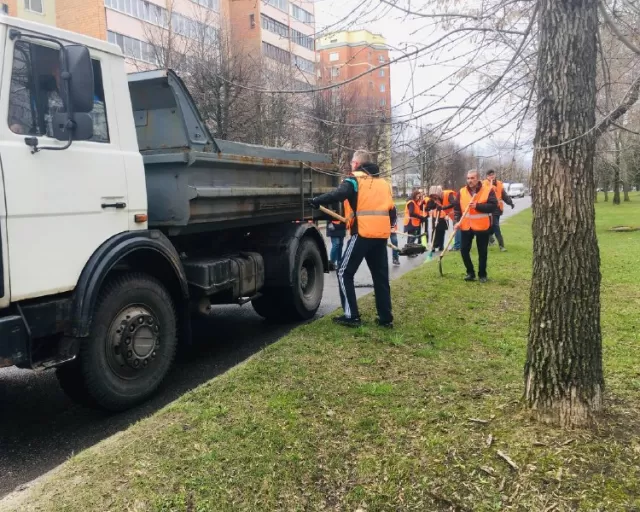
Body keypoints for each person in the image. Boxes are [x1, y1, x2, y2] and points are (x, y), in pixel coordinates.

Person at [309, 153, 395, 328]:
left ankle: (352, 315)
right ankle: (385, 319)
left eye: (352, 162)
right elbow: (392, 210)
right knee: (381, 277)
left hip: (362, 234)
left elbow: (338, 194)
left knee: (343, 272)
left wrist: (316, 201)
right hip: (380, 235)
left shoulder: (354, 181)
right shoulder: (384, 184)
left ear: (356, 163)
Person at [454, 169, 498, 283]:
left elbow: (493, 206)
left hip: (482, 226)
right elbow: (457, 209)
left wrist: (477, 206)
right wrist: (457, 221)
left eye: (472, 178)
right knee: (463, 250)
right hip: (466, 227)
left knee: (482, 252)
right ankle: (470, 273)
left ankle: (482, 274)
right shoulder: (462, 191)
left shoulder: (488, 190)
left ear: (478, 178)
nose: (470, 180)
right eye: (468, 178)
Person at [483, 169, 514, 251]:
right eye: (489, 175)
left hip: (498, 209)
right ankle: (501, 246)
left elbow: (504, 195)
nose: (491, 176)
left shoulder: (499, 184)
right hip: (489, 208)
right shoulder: (484, 184)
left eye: (493, 174)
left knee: (493, 226)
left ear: (495, 175)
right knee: (496, 226)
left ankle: (490, 236)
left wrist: (510, 202)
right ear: (487, 176)